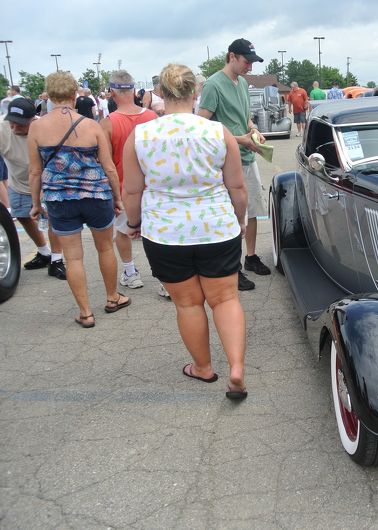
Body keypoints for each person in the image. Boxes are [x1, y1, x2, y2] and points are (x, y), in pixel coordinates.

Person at [122, 63, 249, 400]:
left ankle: (203, 368)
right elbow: (237, 187)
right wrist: (239, 219)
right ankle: (236, 367)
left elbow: (132, 191)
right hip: (216, 227)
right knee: (225, 299)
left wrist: (133, 224)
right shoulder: (218, 132)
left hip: (165, 233)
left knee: (189, 304)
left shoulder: (141, 136)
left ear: (161, 93)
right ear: (195, 92)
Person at [27, 70, 129, 328]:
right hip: (96, 195)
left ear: (50, 95)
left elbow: (35, 171)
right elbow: (108, 167)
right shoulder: (91, 126)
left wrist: (36, 204)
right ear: (74, 94)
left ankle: (85, 312)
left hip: (59, 198)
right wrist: (117, 198)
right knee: (105, 248)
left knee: (72, 258)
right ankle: (112, 297)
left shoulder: (37, 127)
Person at [198, 37, 270, 291]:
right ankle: (232, 266)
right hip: (226, 160)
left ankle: (250, 256)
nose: (250, 66)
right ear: (231, 57)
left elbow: (245, 117)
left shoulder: (242, 83)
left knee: (253, 209)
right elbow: (202, 125)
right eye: (246, 61)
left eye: (252, 62)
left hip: (248, 156)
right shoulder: (213, 85)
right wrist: (239, 139)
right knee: (233, 214)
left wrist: (254, 130)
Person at [100, 70, 158, 291]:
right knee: (155, 234)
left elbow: (106, 163)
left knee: (123, 231)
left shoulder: (108, 123)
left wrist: (114, 194)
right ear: (134, 90)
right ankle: (164, 279)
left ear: (112, 93)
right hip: (153, 187)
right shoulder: (152, 118)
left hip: (124, 188)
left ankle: (131, 272)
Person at [0, 98, 66, 279]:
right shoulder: (2, 129)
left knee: (53, 218)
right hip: (18, 182)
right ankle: (44, 252)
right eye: (12, 122)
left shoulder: (46, 130)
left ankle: (56, 260)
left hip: (46, 181)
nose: (14, 128)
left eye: (20, 124)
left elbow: (56, 162)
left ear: (32, 119)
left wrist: (44, 189)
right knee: (22, 216)